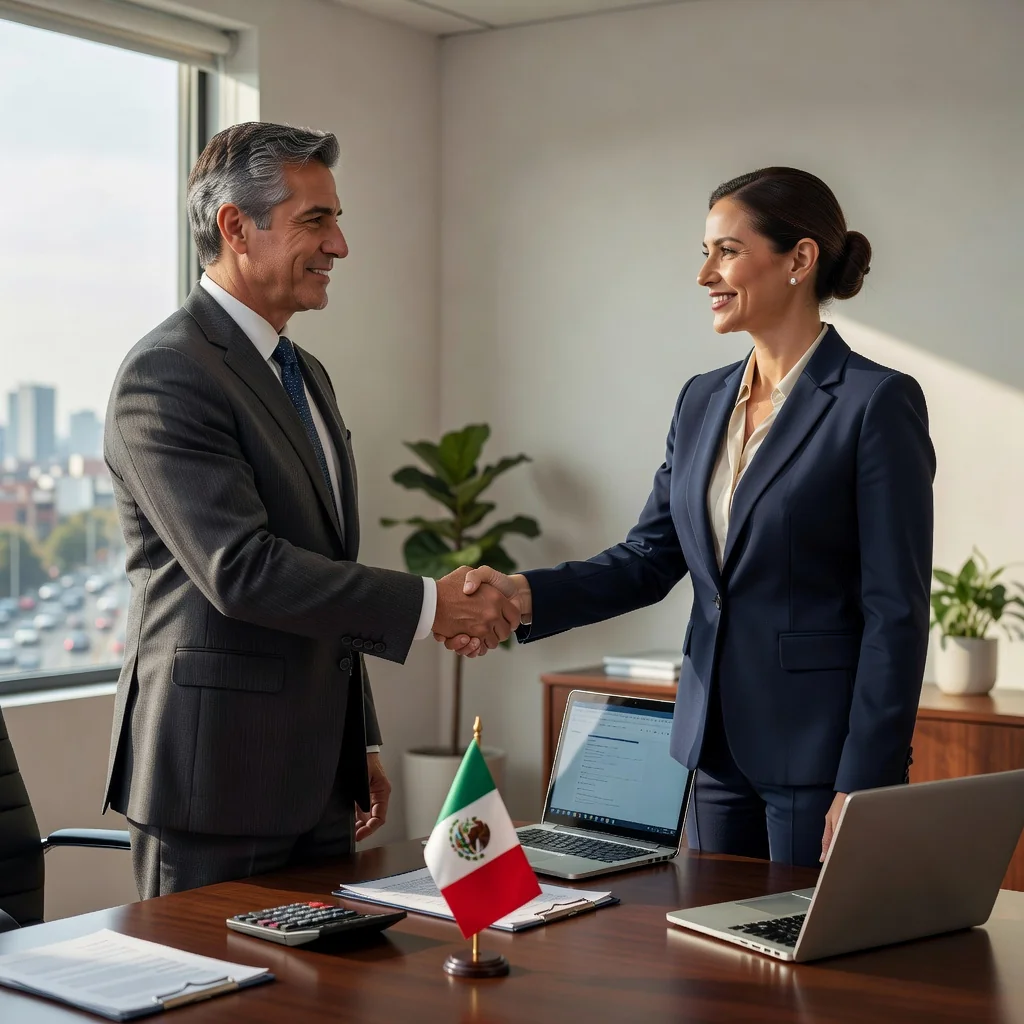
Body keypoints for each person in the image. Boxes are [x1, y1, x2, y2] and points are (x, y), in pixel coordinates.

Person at [442, 167, 935, 868]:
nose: (706, 273)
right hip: (710, 750)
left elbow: (898, 610)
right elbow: (649, 558)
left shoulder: (874, 403)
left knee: (804, 958)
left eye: (726, 250)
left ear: (799, 259)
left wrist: (865, 780)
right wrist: (521, 596)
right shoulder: (702, 401)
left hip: (820, 757)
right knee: (711, 967)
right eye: (703, 252)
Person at [103, 122, 518, 898]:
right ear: (235, 226)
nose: (340, 247)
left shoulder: (305, 372)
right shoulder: (167, 373)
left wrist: (356, 737)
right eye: (316, 220)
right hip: (215, 782)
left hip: (319, 781)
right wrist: (432, 605)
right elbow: (243, 570)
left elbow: (321, 569)